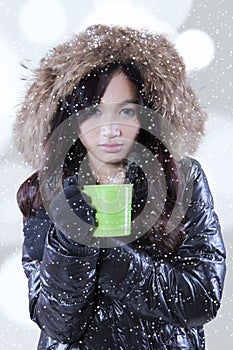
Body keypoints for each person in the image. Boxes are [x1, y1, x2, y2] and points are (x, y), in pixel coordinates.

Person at [14, 24, 226, 350]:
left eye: (126, 110)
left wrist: (102, 244)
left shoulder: (182, 180)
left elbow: (201, 299)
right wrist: (71, 241)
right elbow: (59, 323)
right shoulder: (49, 189)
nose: (111, 129)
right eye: (94, 111)